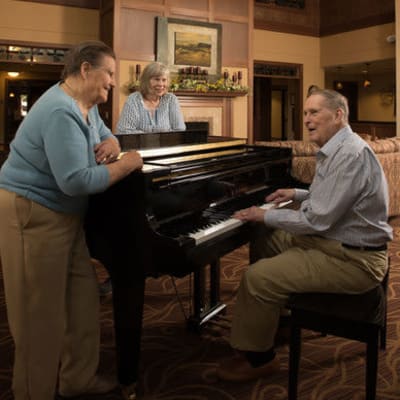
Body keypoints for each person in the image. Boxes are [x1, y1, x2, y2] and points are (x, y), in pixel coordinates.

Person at [216, 88, 393, 382]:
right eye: (305, 113)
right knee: (266, 236)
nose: (307, 119)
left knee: (258, 277)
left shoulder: (350, 154)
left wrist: (264, 214)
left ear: (337, 115)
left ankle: (259, 359)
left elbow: (318, 219)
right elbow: (335, 198)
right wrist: (297, 192)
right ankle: (278, 315)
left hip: (354, 260)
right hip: (337, 242)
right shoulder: (339, 147)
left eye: (314, 113)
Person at [0, 40, 143, 400]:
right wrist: (126, 164)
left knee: (82, 300)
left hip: (66, 217)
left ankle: (77, 379)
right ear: (84, 70)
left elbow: (102, 131)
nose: (113, 81)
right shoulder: (60, 110)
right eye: (108, 73)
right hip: (31, 213)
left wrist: (111, 142)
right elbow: (75, 180)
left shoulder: (86, 104)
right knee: (39, 318)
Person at [117, 61, 186, 134]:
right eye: (157, 79)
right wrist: (156, 139)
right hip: (138, 145)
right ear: (146, 81)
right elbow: (123, 131)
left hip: (167, 145)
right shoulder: (134, 99)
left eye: (164, 80)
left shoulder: (171, 99)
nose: (161, 84)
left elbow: (179, 130)